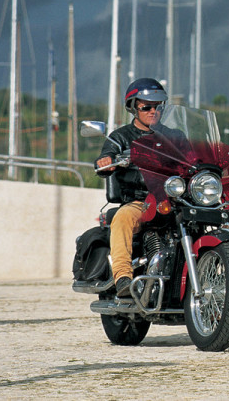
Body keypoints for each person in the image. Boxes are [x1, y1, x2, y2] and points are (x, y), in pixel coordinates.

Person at [94, 77, 168, 298]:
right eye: (147, 107)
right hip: (141, 202)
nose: (153, 111)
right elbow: (107, 154)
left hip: (173, 199)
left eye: (158, 106)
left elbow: (192, 156)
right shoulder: (121, 137)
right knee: (124, 217)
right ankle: (123, 277)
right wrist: (106, 161)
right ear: (133, 107)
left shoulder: (173, 136)